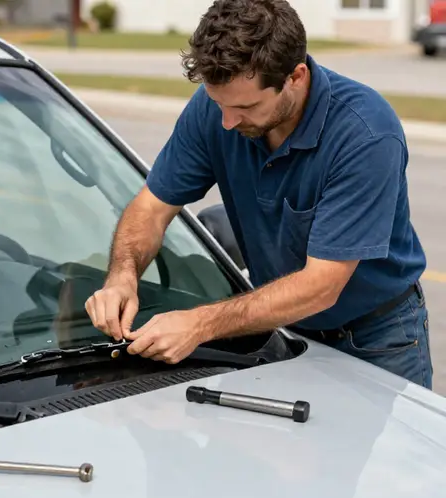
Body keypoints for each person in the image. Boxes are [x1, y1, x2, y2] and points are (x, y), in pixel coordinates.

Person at [85, 0, 433, 389]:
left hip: (378, 339)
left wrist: (198, 324)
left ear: (296, 77)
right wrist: (122, 276)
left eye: (246, 107)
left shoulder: (365, 134)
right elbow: (151, 208)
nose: (228, 122)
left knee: (395, 453)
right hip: (285, 327)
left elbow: (321, 285)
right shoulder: (218, 108)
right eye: (219, 104)